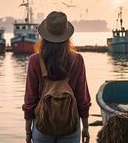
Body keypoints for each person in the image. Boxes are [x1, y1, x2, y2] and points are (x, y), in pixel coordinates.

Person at [22, 11, 91, 143]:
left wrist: (28, 131)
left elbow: (30, 99)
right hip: (70, 126)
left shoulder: (35, 60)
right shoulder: (77, 59)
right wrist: (86, 127)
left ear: (44, 35)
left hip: (42, 126)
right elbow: (83, 98)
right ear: (67, 36)